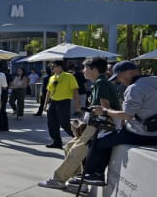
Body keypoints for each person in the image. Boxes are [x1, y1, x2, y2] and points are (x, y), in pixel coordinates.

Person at [38, 57, 120, 191]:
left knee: (76, 150)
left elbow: (105, 108)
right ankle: (79, 180)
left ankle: (59, 179)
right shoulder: (100, 82)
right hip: (95, 124)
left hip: (99, 125)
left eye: (85, 68)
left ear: (94, 69)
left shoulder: (101, 83)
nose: (83, 71)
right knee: (69, 146)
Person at [73, 61, 157, 186]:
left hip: (141, 134)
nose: (119, 81)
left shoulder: (134, 88)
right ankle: (96, 174)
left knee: (97, 142)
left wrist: (104, 111)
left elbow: (127, 115)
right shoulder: (154, 80)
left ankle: (94, 174)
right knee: (110, 138)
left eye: (119, 77)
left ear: (130, 72)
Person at [45, 60, 80, 149]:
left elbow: (75, 91)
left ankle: (79, 138)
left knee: (64, 123)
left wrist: (77, 105)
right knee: (52, 123)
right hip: (53, 102)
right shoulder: (52, 78)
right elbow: (48, 91)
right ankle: (56, 142)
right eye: (51, 66)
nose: (51, 68)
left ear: (60, 67)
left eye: (53, 66)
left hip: (64, 102)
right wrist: (45, 104)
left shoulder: (69, 76)